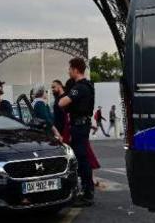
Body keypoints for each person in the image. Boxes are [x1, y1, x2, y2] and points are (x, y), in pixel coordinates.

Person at [58, 58, 96, 207]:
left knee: (81, 158)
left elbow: (61, 103)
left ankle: (87, 194)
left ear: (75, 69)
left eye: (69, 69)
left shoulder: (79, 87)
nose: (68, 71)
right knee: (82, 157)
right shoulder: (87, 86)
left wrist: (62, 92)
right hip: (82, 125)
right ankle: (86, 191)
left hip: (79, 126)